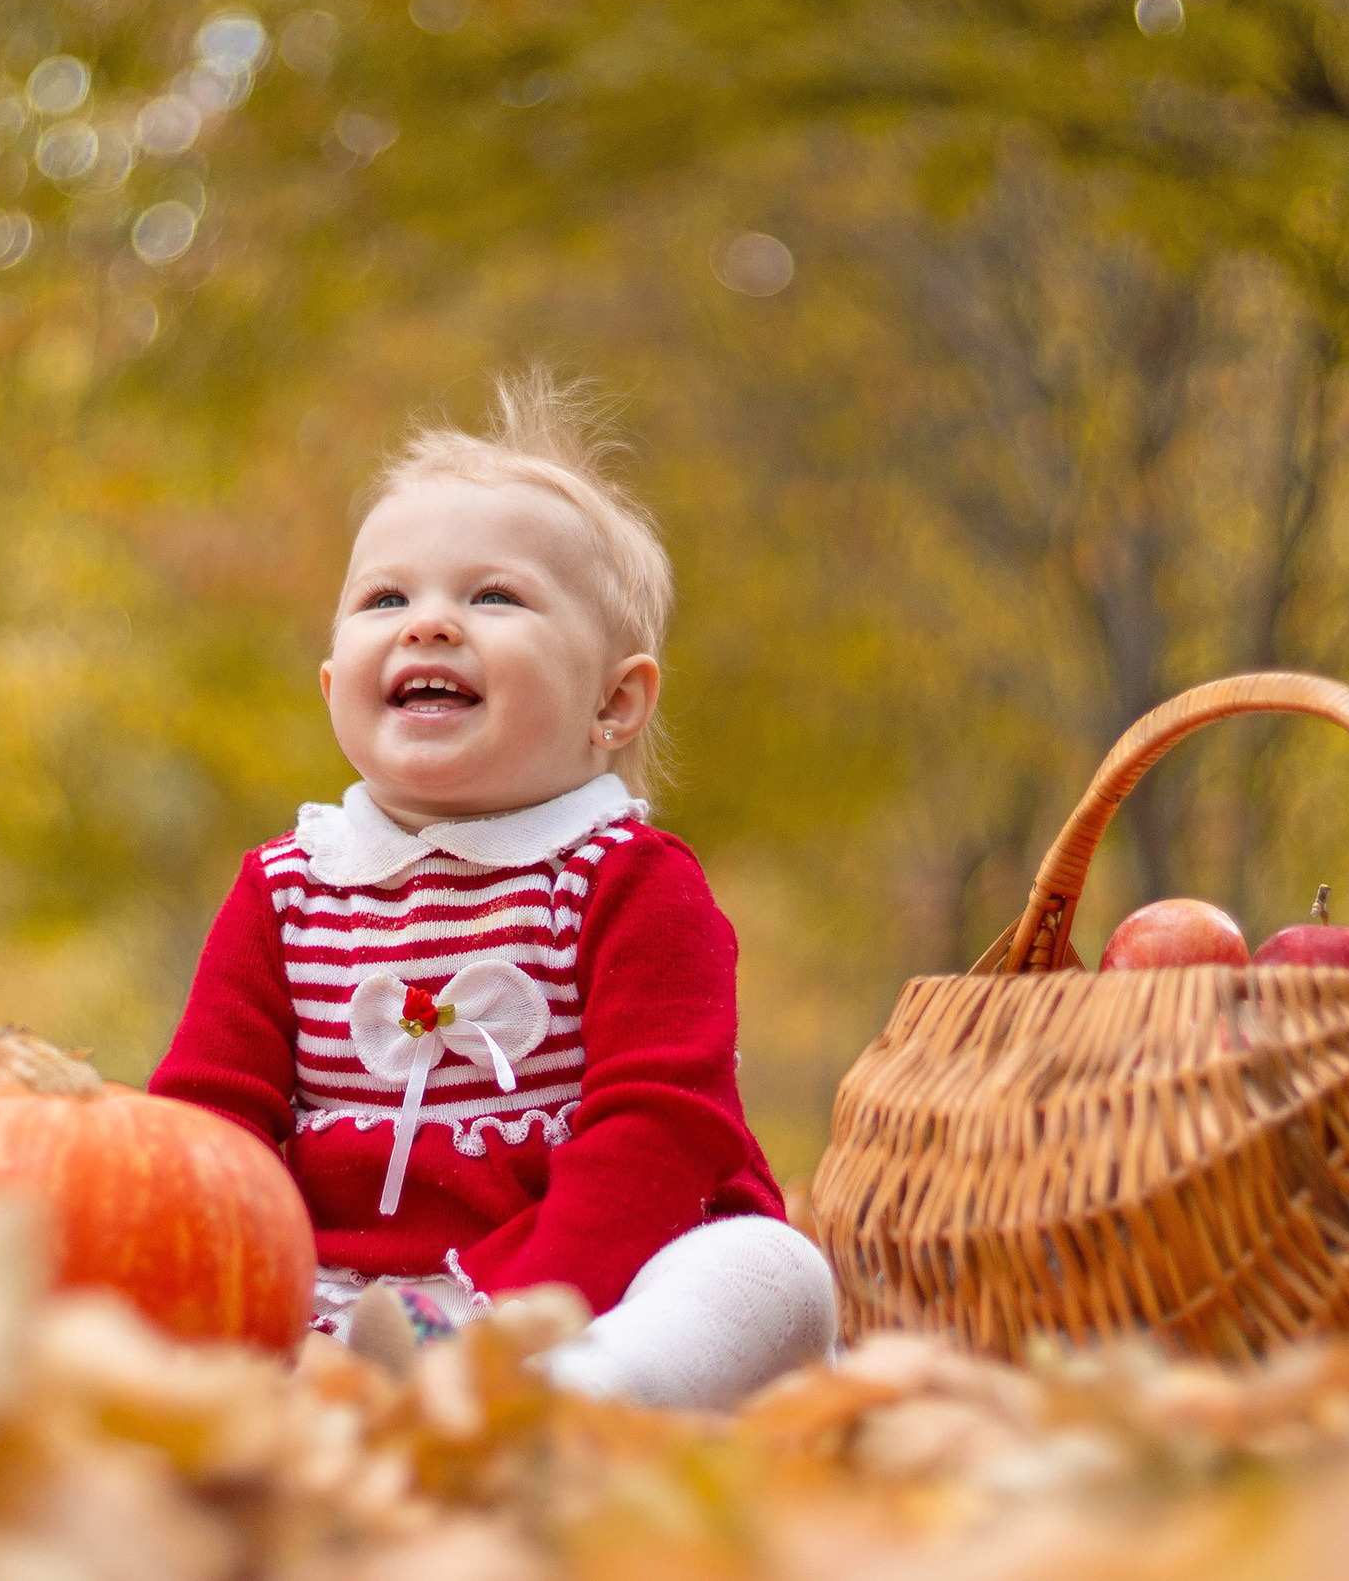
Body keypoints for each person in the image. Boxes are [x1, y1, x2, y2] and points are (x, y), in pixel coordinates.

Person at [148, 372, 835, 1408]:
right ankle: (318, 1406)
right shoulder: (287, 890)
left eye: (493, 596)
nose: (428, 624)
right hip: (340, 1305)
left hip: (582, 1294)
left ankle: (568, 1403)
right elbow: (211, 1121)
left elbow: (662, 1129)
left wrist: (523, 1319)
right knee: (140, 1270)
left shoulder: (626, 882)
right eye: (387, 598)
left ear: (614, 700)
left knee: (771, 1273)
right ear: (335, 686)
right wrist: (236, 1284)